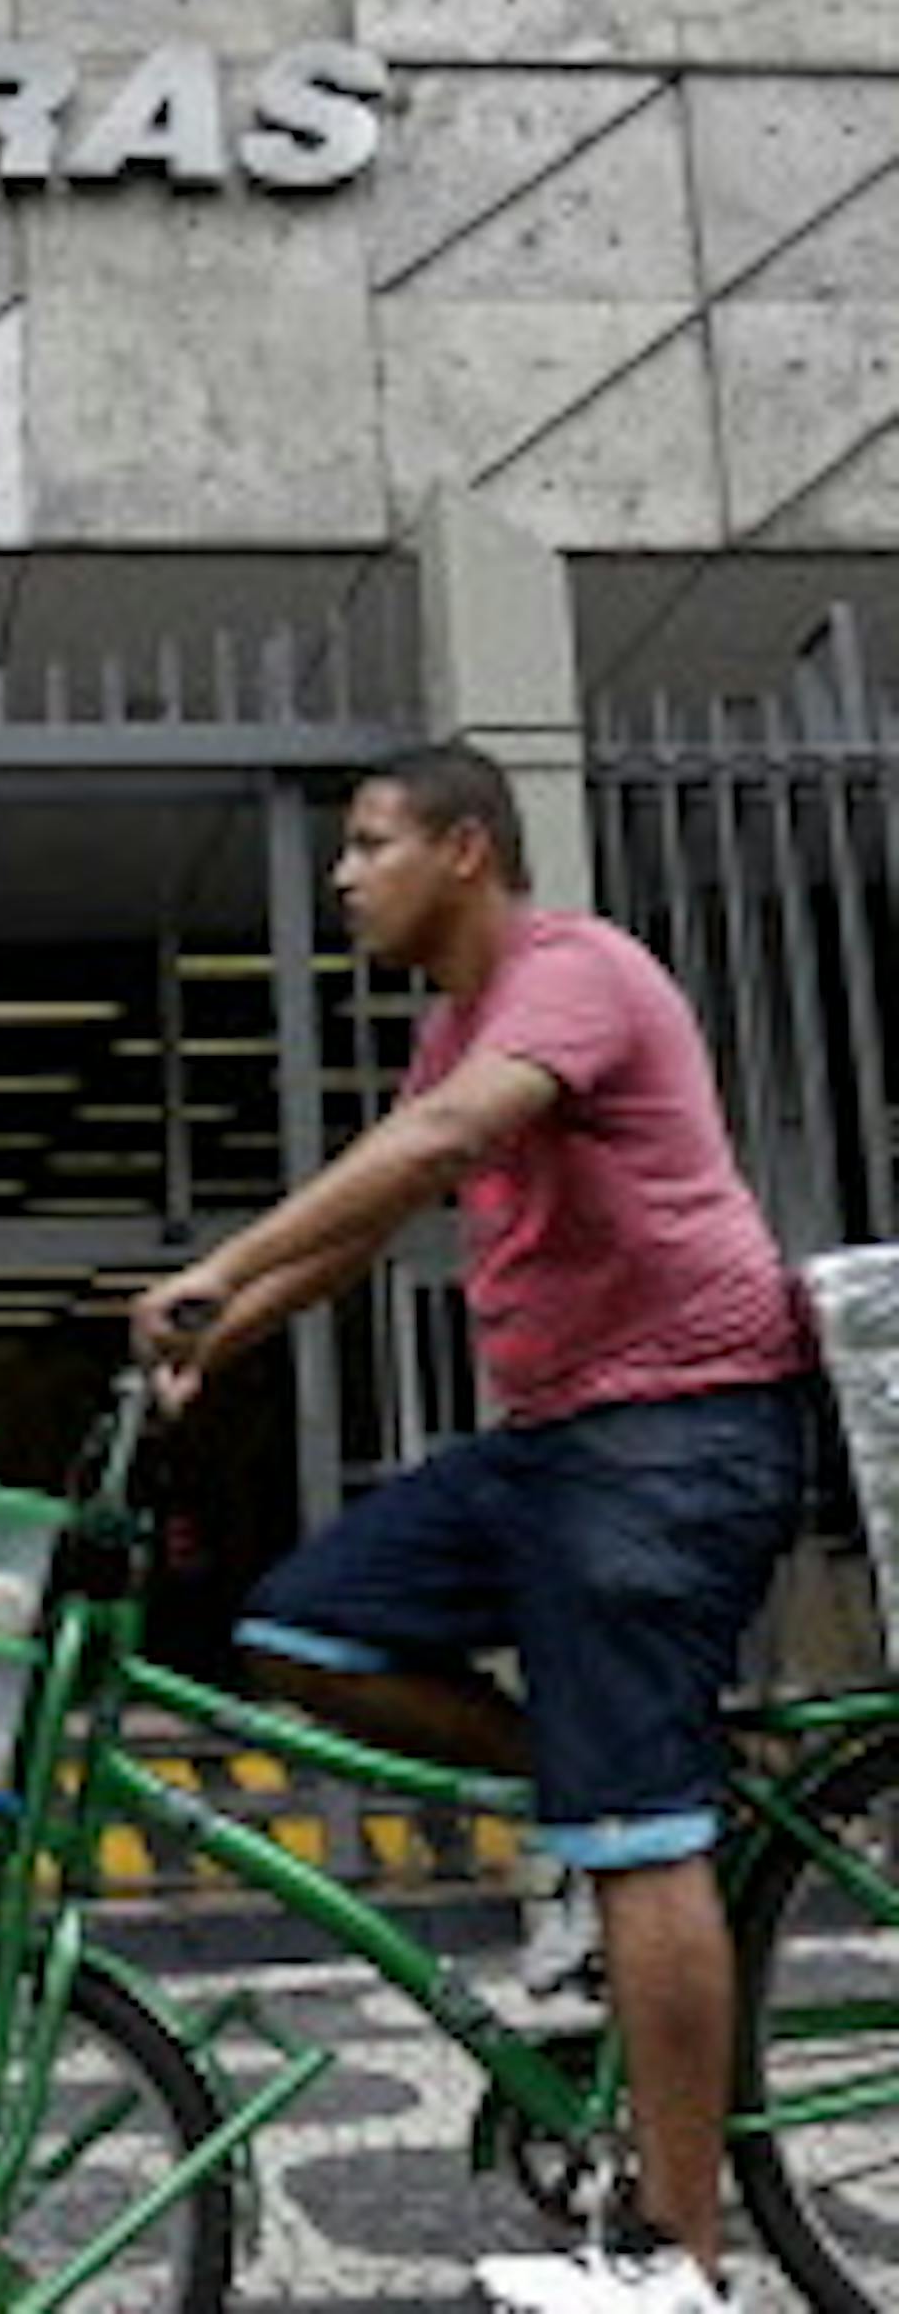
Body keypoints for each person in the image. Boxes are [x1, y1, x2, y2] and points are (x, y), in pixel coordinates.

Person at [131, 743, 809, 2314]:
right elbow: (373, 1218)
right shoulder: (452, 1025)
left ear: (468, 847)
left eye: (370, 844)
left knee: (635, 1830)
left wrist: (216, 1265)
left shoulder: (575, 977)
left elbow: (438, 1151)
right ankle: (618, 1795)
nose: (344, 874)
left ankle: (677, 2258)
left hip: (675, 1430)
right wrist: (205, 1339)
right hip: (554, 1442)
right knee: (304, 1626)